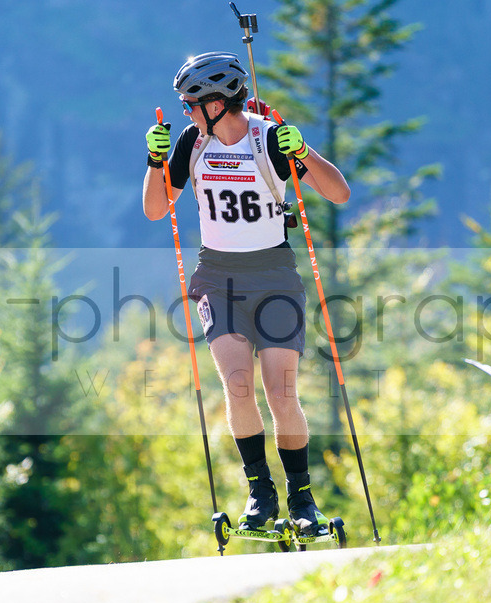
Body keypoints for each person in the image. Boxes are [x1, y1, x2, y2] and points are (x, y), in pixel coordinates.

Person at [142, 52, 350, 536]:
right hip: (218, 276)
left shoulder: (269, 139)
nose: (186, 113)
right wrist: (155, 162)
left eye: (191, 104)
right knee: (237, 385)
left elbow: (338, 193)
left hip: (274, 274)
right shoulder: (193, 142)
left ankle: (302, 498)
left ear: (217, 104)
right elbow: (155, 209)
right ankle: (261, 493)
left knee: (281, 391)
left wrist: (303, 151)